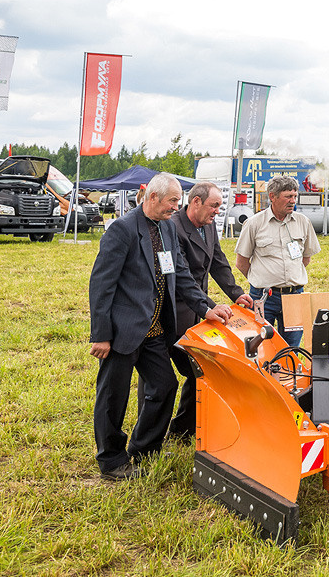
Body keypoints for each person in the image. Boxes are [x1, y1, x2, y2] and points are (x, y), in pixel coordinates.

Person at [89, 173, 233, 481]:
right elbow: (101, 285)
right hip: (122, 331)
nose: (175, 208)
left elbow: (181, 275)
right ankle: (112, 460)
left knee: (164, 385)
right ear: (152, 197)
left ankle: (144, 448)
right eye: (172, 202)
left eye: (178, 202)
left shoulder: (167, 228)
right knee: (113, 396)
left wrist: (206, 308)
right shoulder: (122, 230)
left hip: (155, 330)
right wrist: (101, 335)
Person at [168, 181, 253, 440]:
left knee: (201, 370)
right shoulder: (174, 228)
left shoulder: (208, 225)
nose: (217, 211)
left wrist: (237, 294)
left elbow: (218, 262)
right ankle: (169, 429)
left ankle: (184, 428)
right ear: (195, 202)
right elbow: (182, 278)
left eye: (219, 206)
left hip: (200, 308)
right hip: (177, 309)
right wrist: (210, 305)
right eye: (213, 206)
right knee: (187, 371)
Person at [235, 175, 321, 348]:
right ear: (272, 196)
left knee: (291, 347)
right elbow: (241, 262)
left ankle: (288, 375)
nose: (292, 201)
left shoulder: (303, 222)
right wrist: (262, 280)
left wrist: (289, 278)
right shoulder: (254, 224)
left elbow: (306, 258)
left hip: (295, 295)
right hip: (263, 297)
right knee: (261, 346)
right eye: (288, 196)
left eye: (294, 196)